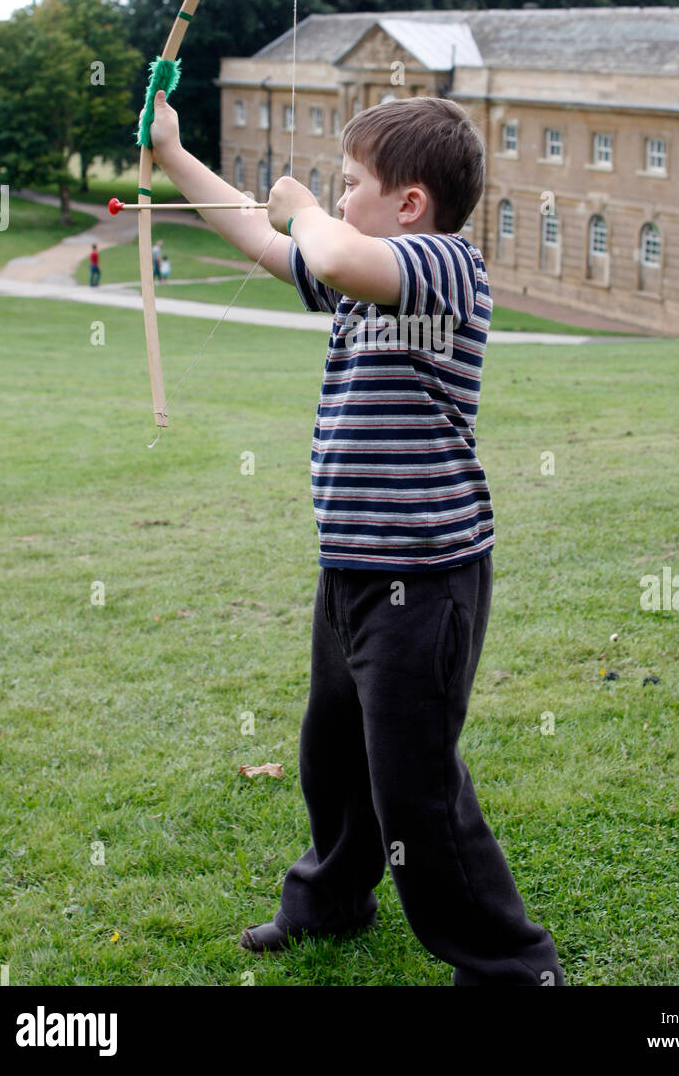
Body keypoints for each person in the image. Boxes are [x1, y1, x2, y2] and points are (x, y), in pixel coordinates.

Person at [147, 88, 566, 987]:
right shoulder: (358, 277)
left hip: (429, 576)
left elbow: (318, 240)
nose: (335, 201)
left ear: (408, 204)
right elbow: (266, 240)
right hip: (352, 571)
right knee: (333, 758)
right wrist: (175, 155)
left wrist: (303, 210)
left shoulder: (447, 270)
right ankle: (332, 899)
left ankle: (510, 965)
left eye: (350, 185)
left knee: (415, 785)